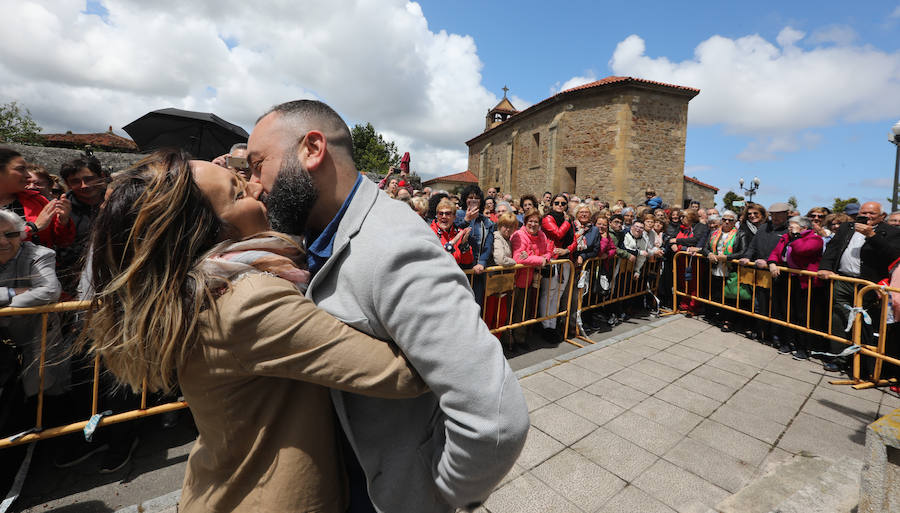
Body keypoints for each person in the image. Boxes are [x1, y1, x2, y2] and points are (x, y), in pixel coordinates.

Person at [76, 149, 427, 513]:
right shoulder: (248, 300)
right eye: (239, 193)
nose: (258, 188)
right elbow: (401, 373)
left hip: (222, 485)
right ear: (215, 230)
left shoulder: (205, 287)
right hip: (265, 497)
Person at [246, 100, 529, 512]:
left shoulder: (394, 247)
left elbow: (496, 421)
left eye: (258, 164)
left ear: (312, 149)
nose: (253, 184)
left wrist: (434, 498)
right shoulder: (316, 231)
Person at [818, 201, 900, 373]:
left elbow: (893, 255)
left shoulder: (892, 232)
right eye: (863, 213)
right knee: (839, 319)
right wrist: (825, 267)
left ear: (882, 217)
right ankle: (838, 357)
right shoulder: (847, 227)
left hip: (869, 286)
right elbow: (832, 249)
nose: (866, 217)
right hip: (842, 280)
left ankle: (863, 365)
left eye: (872, 214)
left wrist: (872, 235)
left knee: (865, 324)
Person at [767, 216, 824, 360]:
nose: (789, 229)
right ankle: (787, 342)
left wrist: (797, 235)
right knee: (787, 312)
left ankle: (803, 347)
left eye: (792, 226)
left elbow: (801, 250)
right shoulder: (786, 237)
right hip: (789, 278)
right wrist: (773, 263)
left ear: (803, 227)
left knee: (802, 315)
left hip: (805, 282)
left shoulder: (815, 239)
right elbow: (776, 252)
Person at [0, 148, 75, 250]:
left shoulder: (37, 201)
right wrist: (33, 228)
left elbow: (63, 242)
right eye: (20, 169)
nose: (27, 176)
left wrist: (63, 221)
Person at [57, 155, 108, 294]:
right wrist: (63, 223)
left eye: (89, 179)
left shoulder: (118, 200)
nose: (84, 186)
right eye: (75, 181)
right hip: (73, 283)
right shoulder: (60, 208)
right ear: (68, 185)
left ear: (101, 176)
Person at [510, 211, 553, 348]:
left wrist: (539, 257)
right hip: (515, 279)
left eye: (536, 222)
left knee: (523, 311)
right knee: (511, 311)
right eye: (530, 221)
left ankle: (520, 338)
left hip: (529, 279)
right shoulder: (519, 235)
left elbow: (548, 250)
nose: (533, 224)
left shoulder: (541, 235)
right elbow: (518, 258)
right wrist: (540, 259)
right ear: (525, 221)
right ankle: (508, 340)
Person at [704, 210, 748, 331]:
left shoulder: (740, 234)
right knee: (716, 293)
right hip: (715, 267)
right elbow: (705, 247)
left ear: (735, 222)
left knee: (729, 296)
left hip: (730, 268)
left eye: (730, 220)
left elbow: (743, 251)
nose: (727, 222)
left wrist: (728, 257)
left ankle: (728, 321)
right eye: (724, 219)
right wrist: (709, 254)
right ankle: (717, 317)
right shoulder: (714, 233)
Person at [540, 193, 574, 340]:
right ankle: (545, 326)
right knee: (549, 294)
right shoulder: (548, 219)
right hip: (552, 260)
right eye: (557, 203)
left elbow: (574, 240)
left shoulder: (568, 221)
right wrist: (567, 222)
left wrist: (567, 250)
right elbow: (558, 234)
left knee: (558, 294)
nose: (560, 206)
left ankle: (552, 325)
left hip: (564, 260)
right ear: (552, 204)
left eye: (563, 204)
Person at [456, 184, 495, 307]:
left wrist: (482, 262)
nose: (473, 200)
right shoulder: (457, 215)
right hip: (459, 269)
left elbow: (488, 243)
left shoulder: (486, 221)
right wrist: (466, 220)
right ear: (465, 199)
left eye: (477, 198)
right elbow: (452, 236)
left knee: (476, 305)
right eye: (470, 197)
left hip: (477, 270)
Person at [433, 198, 473, 266]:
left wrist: (464, 245)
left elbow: (467, 261)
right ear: (436, 216)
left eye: (448, 213)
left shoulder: (459, 232)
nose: (444, 216)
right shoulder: (430, 232)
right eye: (440, 213)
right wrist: (452, 243)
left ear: (454, 217)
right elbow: (438, 260)